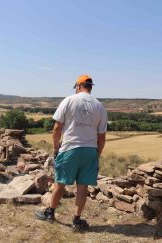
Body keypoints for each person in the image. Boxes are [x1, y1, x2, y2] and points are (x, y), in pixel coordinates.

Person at [34, 75, 107, 231]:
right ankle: (76, 220)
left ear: (79, 85)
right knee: (82, 187)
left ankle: (50, 213)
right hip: (90, 150)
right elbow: (102, 137)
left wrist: (55, 149)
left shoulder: (69, 100)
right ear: (90, 87)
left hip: (70, 148)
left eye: (76, 86)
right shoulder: (100, 106)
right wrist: (97, 155)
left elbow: (56, 128)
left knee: (60, 183)